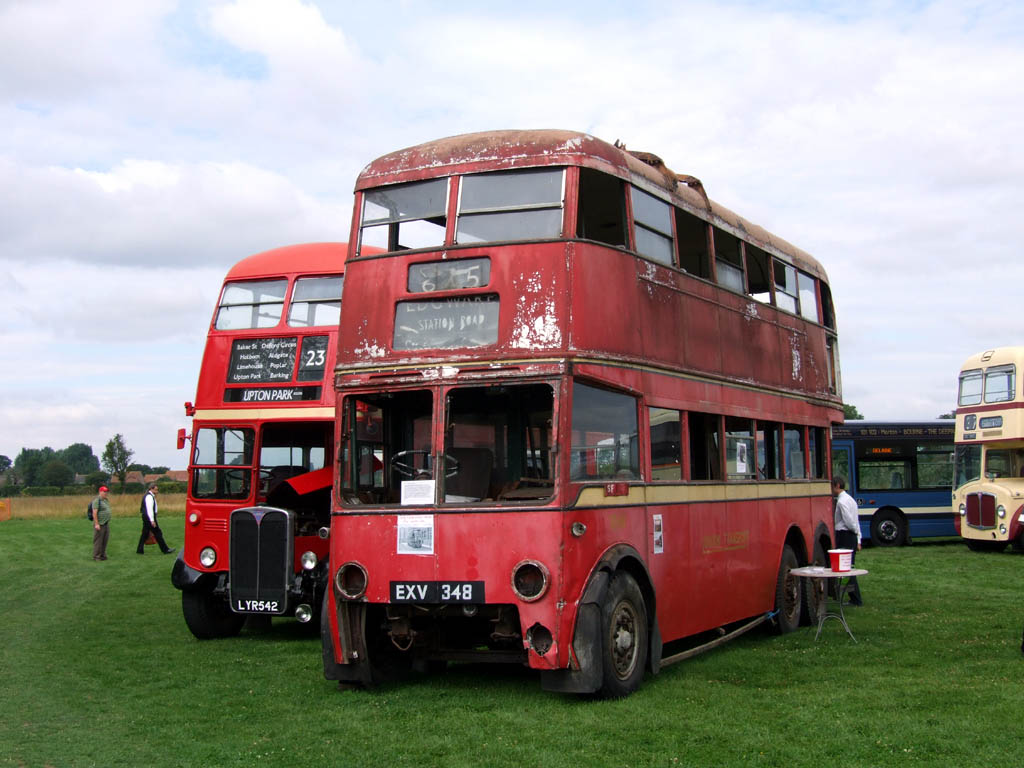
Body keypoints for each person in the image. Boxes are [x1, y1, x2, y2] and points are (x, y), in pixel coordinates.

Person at [832, 476, 863, 606]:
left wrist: (855, 532)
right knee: (849, 566)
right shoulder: (851, 500)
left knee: (846, 567)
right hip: (851, 535)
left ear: (837, 485)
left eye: (832, 486)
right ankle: (853, 597)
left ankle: (855, 598)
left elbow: (850, 521)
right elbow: (856, 520)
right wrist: (858, 537)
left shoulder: (842, 502)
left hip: (845, 534)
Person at [137, 483, 176, 555]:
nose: (157, 491)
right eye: (156, 490)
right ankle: (165, 549)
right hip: (149, 517)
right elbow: (149, 509)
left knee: (145, 534)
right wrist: (152, 520)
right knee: (158, 533)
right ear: (151, 489)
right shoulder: (149, 497)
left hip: (146, 517)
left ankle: (139, 550)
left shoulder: (149, 496)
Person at [91, 485, 112, 561]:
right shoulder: (97, 500)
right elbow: (94, 513)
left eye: (106, 492)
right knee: (98, 541)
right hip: (100, 524)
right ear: (100, 492)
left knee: (105, 540)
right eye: (104, 491)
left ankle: (103, 555)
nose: (106, 493)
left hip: (106, 523)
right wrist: (97, 524)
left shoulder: (105, 500)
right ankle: (96, 556)